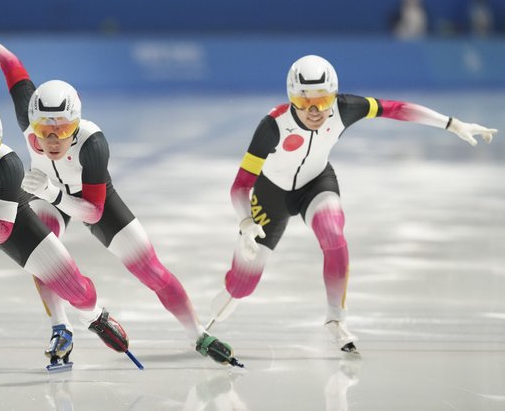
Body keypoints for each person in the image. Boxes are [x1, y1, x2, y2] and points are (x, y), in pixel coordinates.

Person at [0, 11, 242, 367]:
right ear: (31, 121)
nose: (52, 138)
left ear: (77, 124)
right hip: (47, 196)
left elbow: (94, 212)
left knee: (151, 270)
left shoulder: (92, 143)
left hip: (86, 198)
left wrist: (52, 193)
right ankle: (60, 326)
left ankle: (198, 335)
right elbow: (10, 63)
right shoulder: (31, 118)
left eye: (63, 129)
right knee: (43, 256)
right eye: (43, 129)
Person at [206, 54, 497, 354]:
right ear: (291, 98)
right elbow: (240, 186)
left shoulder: (345, 108)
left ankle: (336, 320)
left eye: (323, 99)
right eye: (305, 102)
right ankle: (221, 306)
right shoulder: (272, 126)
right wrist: (245, 223)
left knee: (333, 234)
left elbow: (395, 109)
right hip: (270, 196)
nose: (316, 110)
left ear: (334, 94)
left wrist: (451, 123)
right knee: (242, 287)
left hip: (316, 183)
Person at [0, 37, 131, 385]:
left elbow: (0, 232)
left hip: (1, 214)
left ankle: (95, 315)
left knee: (75, 288)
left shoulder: (8, 167)